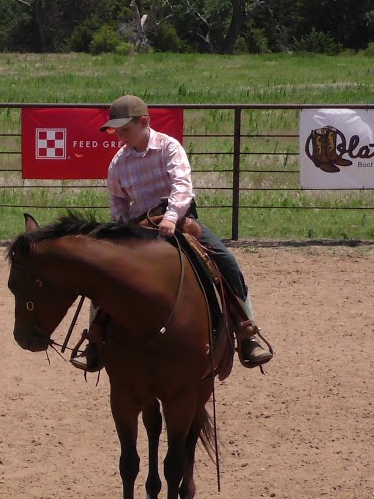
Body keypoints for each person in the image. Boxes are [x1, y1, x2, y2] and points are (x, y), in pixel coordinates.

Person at [75, 94, 272, 371]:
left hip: (179, 221)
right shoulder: (118, 162)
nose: (119, 135)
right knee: (106, 274)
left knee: (225, 261)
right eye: (116, 130)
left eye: (125, 129)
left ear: (144, 122)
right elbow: (117, 199)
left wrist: (170, 217)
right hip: (138, 228)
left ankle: (246, 331)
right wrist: (121, 225)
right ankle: (95, 339)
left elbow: (182, 185)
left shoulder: (169, 147)